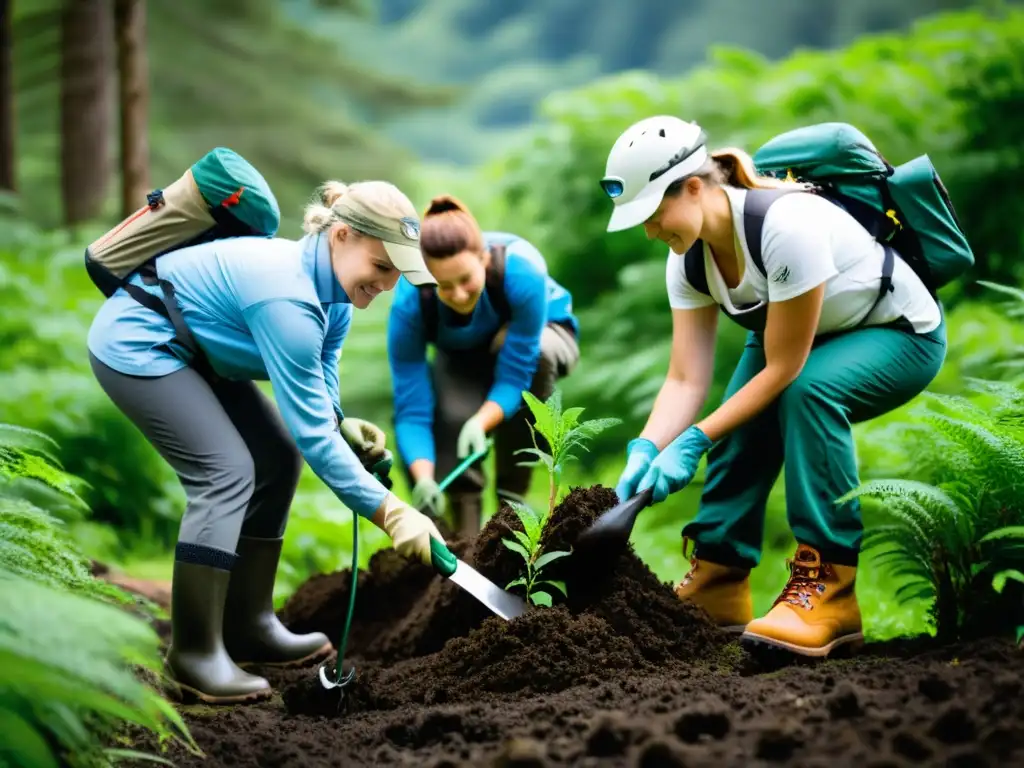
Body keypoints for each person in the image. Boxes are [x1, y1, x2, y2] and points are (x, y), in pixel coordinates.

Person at [86, 180, 448, 704]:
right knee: (225, 473)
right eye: (382, 267)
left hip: (197, 350)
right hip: (140, 340)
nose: (389, 284)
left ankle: (247, 626)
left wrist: (341, 421)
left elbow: (320, 376)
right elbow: (313, 437)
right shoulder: (287, 296)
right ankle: (192, 655)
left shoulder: (336, 294)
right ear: (342, 235)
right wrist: (391, 513)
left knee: (276, 459)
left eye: (397, 273)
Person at [601, 116, 947, 657]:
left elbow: (784, 369)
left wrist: (693, 442)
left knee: (806, 390)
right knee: (738, 416)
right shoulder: (688, 259)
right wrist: (647, 447)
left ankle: (831, 589)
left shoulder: (785, 225)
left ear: (694, 186)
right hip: (801, 340)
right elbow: (685, 378)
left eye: (652, 213)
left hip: (897, 332)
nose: (649, 231)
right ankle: (719, 579)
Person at [387, 195, 580, 537]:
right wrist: (424, 477)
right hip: (462, 353)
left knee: (535, 360)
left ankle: (512, 510)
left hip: (541, 339)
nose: (459, 295)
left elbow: (516, 372)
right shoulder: (410, 303)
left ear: (485, 258)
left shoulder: (522, 271)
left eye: (466, 280)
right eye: (443, 286)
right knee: (451, 416)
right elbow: (412, 409)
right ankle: (466, 542)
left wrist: (483, 420)